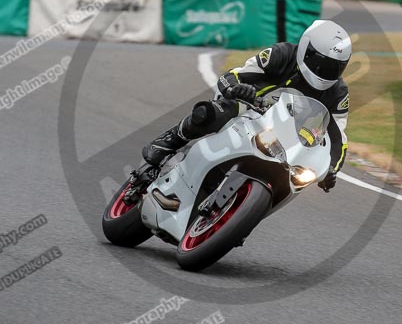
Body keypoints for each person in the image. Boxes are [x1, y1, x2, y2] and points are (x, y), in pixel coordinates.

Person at [127, 20, 352, 199]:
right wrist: (238, 89)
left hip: (286, 142)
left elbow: (338, 138)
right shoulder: (280, 54)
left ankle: (241, 215)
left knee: (300, 179)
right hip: (249, 111)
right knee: (211, 113)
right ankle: (170, 141)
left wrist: (331, 169)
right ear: (306, 49)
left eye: (335, 67)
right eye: (320, 62)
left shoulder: (338, 93)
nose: (325, 70)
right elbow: (231, 76)